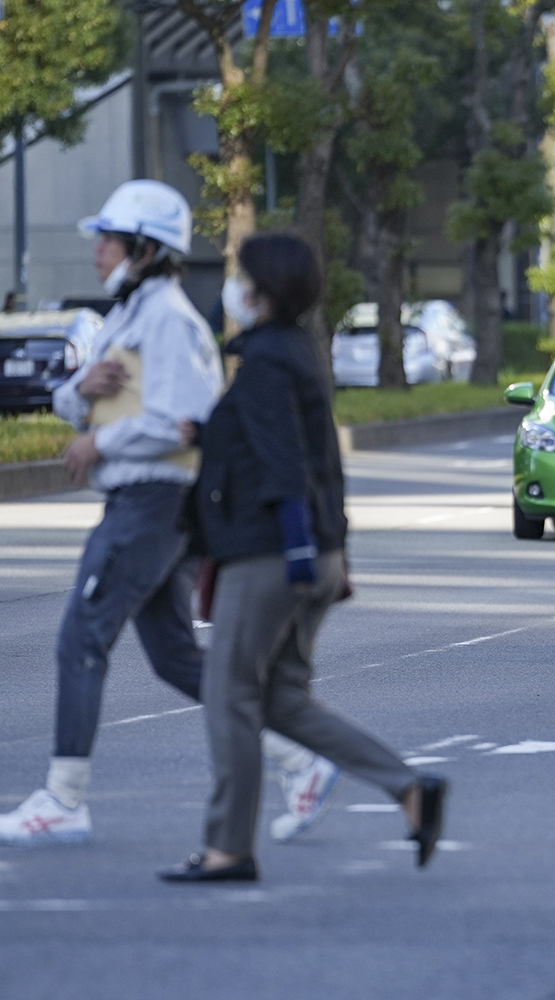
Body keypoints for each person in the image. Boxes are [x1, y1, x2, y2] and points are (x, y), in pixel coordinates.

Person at [0, 181, 340, 849]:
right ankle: (299, 760)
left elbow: (188, 423)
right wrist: (81, 393)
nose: (97, 251)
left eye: (109, 239)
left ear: (147, 249)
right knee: (178, 658)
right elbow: (78, 399)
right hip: (143, 501)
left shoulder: (171, 321)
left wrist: (103, 439)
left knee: (81, 636)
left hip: (155, 502)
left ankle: (65, 797)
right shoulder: (128, 316)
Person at [159, 232, 446, 883]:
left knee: (229, 694)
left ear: (261, 290)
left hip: (273, 555)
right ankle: (409, 789)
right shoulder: (300, 353)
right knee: (282, 697)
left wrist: (294, 551)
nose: (233, 286)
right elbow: (306, 454)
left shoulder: (264, 363)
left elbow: (287, 469)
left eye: (241, 276)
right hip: (314, 552)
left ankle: (228, 847)